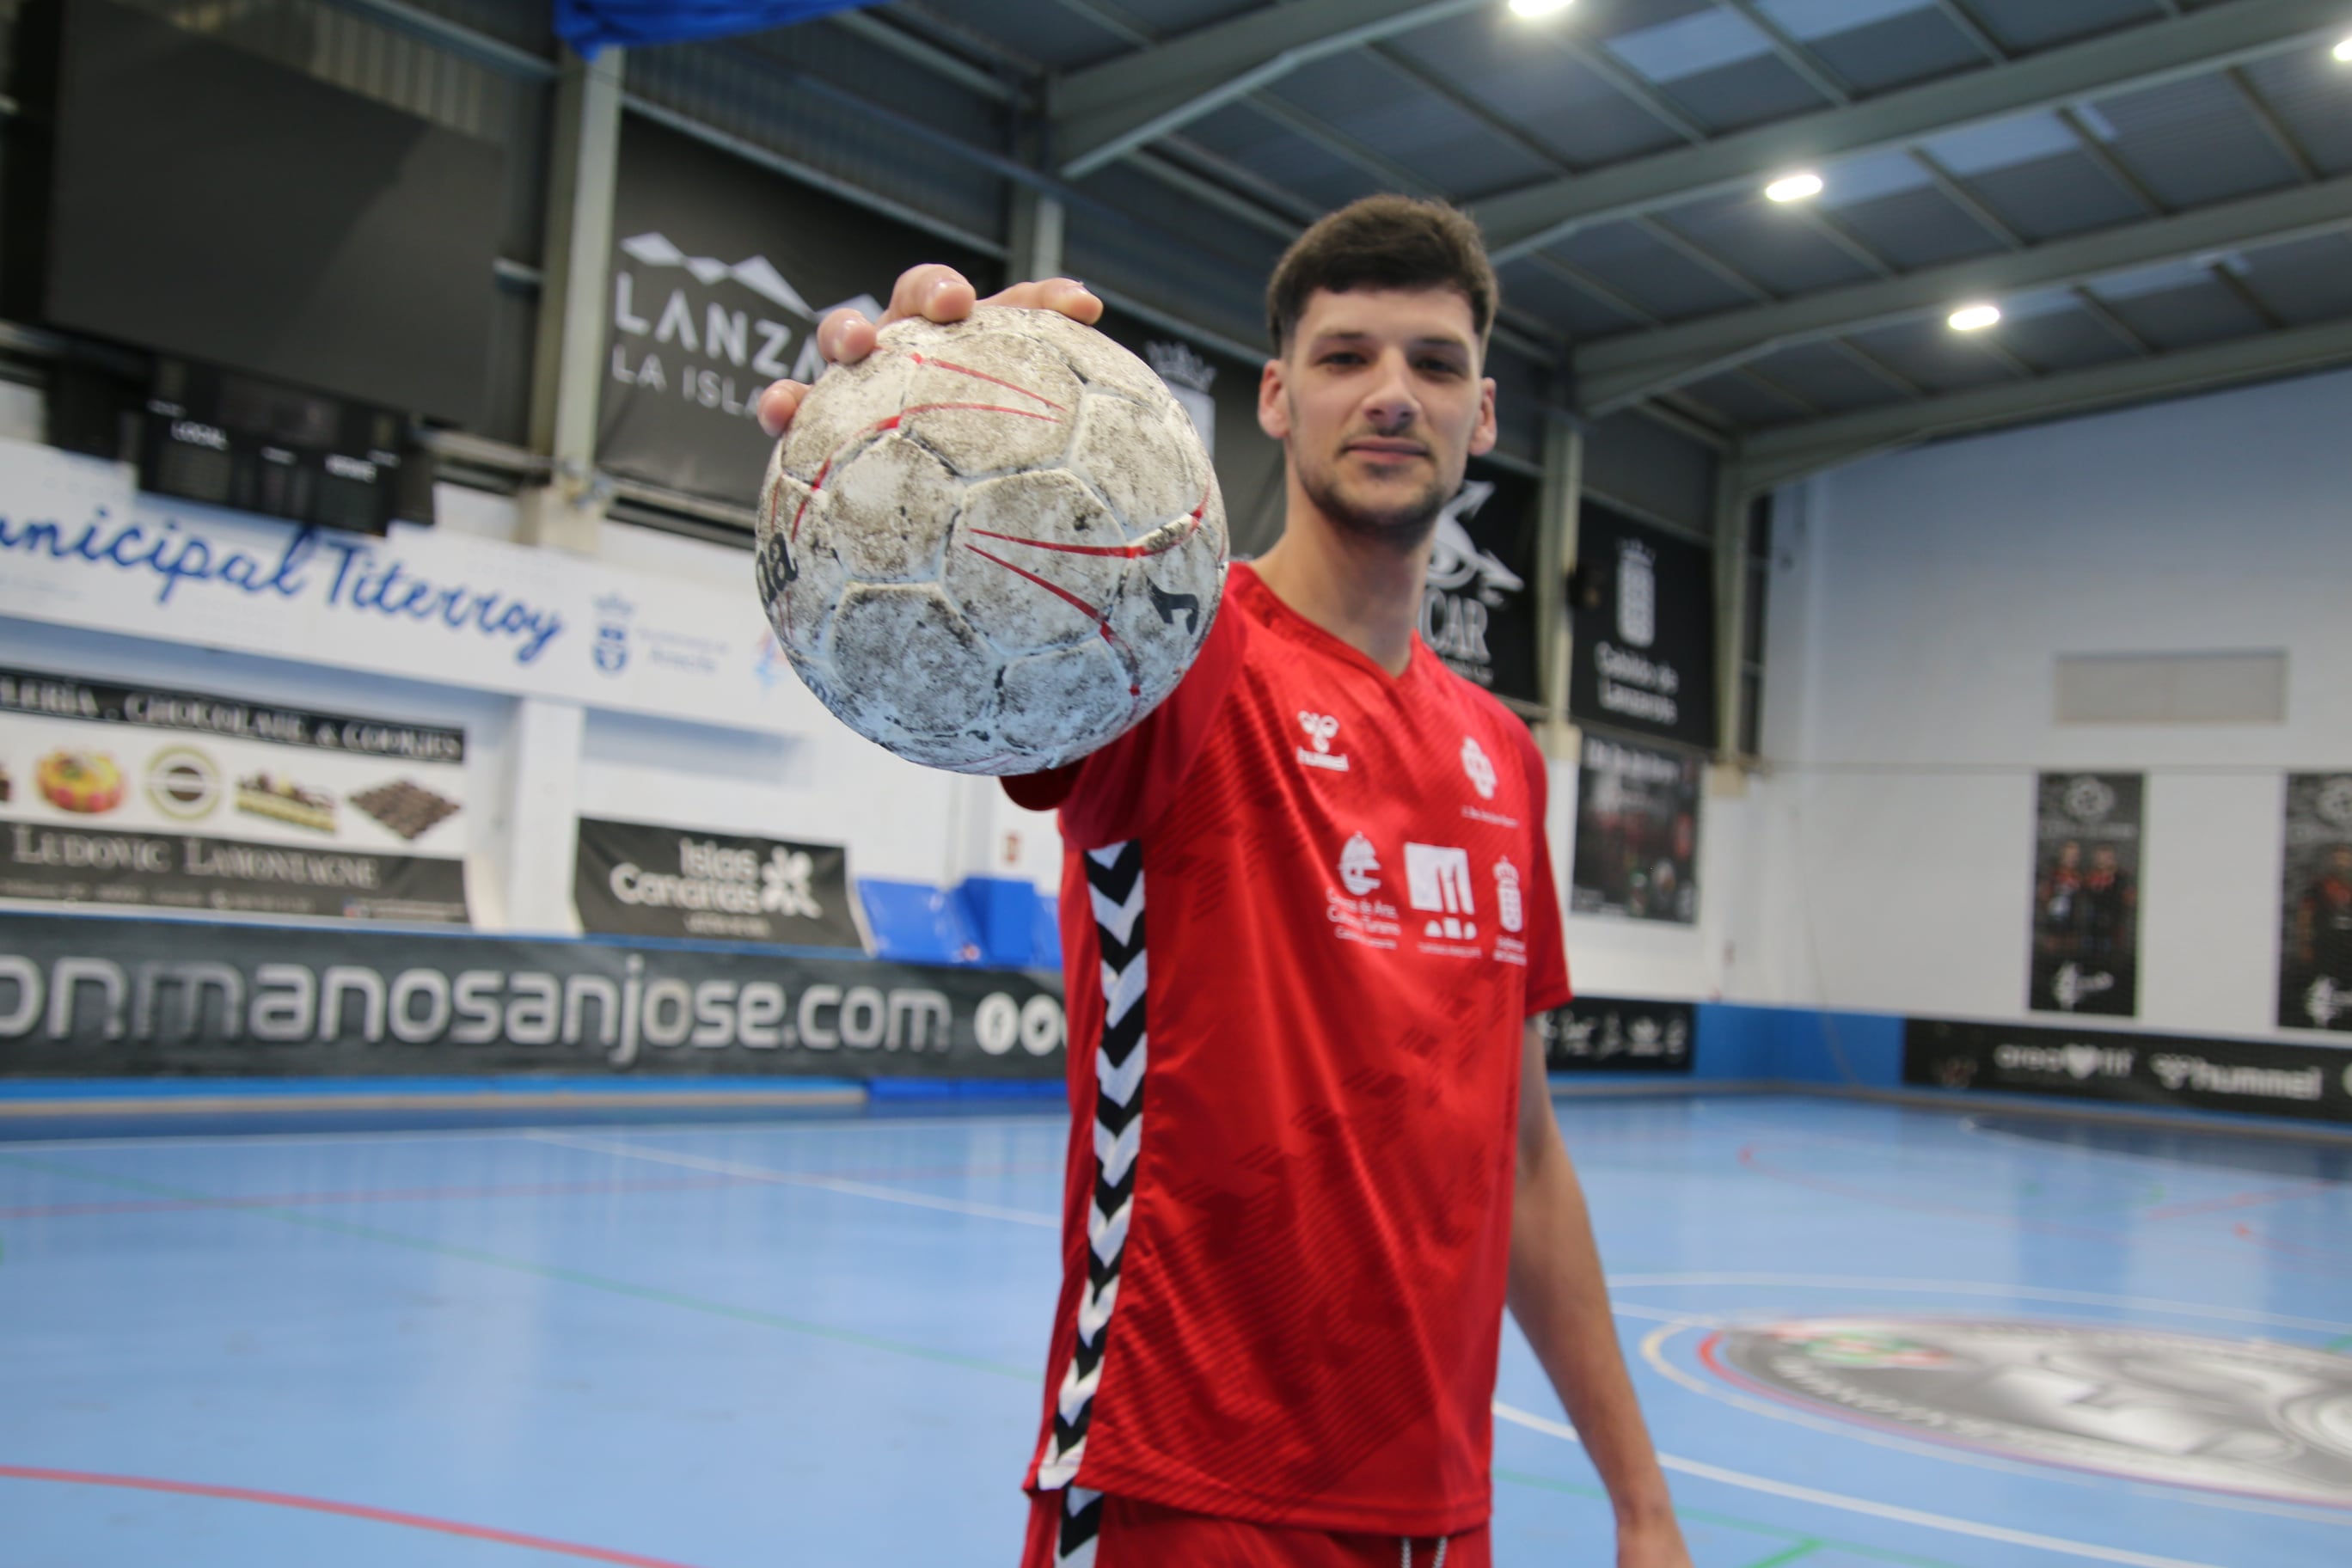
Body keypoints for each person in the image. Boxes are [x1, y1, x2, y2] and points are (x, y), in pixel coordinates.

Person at [759, 196, 1690, 1568]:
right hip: (1185, 1494)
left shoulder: (1503, 755)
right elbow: (1035, 620)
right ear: (1273, 397)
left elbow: (1527, 1157)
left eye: (1434, 365)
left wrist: (1641, 1503)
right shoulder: (1175, 665)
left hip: (1439, 1508)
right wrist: (915, 412)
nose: (1391, 395)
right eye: (1344, 357)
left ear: (1484, 416)